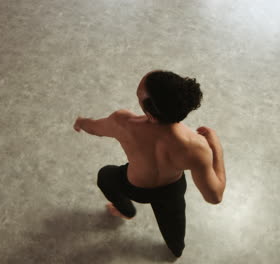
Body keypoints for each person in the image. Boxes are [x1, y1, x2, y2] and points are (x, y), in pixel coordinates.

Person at [73, 69, 226, 257]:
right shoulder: (196, 147)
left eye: (139, 94)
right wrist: (215, 147)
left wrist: (81, 122)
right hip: (171, 192)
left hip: (133, 185)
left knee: (105, 175)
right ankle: (176, 250)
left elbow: (95, 128)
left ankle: (125, 210)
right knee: (174, 229)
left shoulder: (122, 122)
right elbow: (214, 196)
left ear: (152, 114)